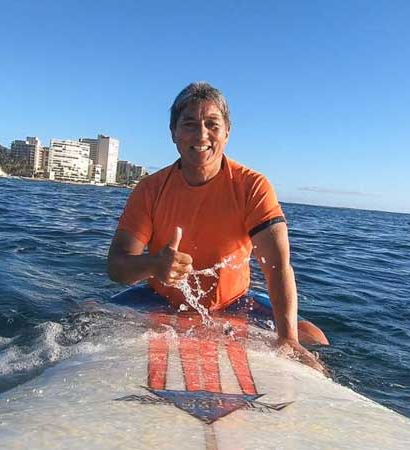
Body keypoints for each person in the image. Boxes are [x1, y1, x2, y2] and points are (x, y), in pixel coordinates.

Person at [107, 82, 326, 375]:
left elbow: (277, 266)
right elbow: (116, 266)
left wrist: (287, 339)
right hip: (159, 299)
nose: (201, 135)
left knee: (312, 335)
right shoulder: (150, 189)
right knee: (84, 314)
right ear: (173, 133)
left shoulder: (252, 187)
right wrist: (154, 265)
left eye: (212, 124)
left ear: (227, 133)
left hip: (234, 304)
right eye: (189, 124)